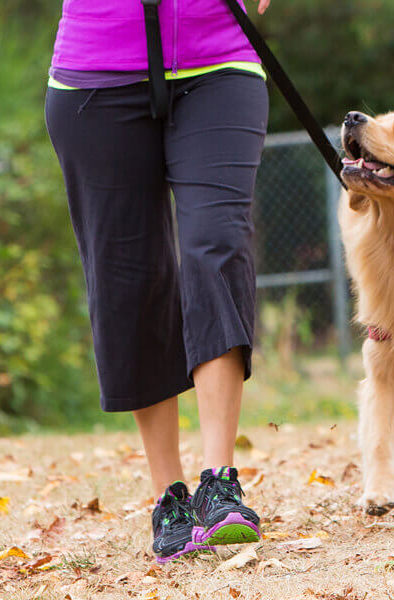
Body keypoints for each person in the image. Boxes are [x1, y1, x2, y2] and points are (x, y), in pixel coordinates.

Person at [44, 0, 272, 563]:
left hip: (216, 57)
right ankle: (169, 497)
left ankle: (220, 482)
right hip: (95, 69)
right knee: (130, 279)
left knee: (215, 246)